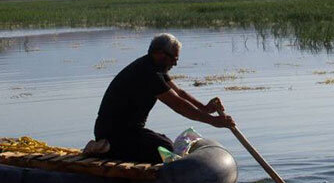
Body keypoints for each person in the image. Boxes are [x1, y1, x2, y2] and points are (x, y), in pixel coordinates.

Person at [92, 33, 235, 164]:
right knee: (164, 148)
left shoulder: (154, 68)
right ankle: (106, 149)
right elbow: (178, 105)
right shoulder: (148, 73)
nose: (175, 63)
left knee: (165, 143)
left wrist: (205, 108)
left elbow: (179, 93)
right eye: (174, 58)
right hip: (116, 133)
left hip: (128, 130)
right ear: (160, 54)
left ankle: (110, 147)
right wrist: (213, 121)